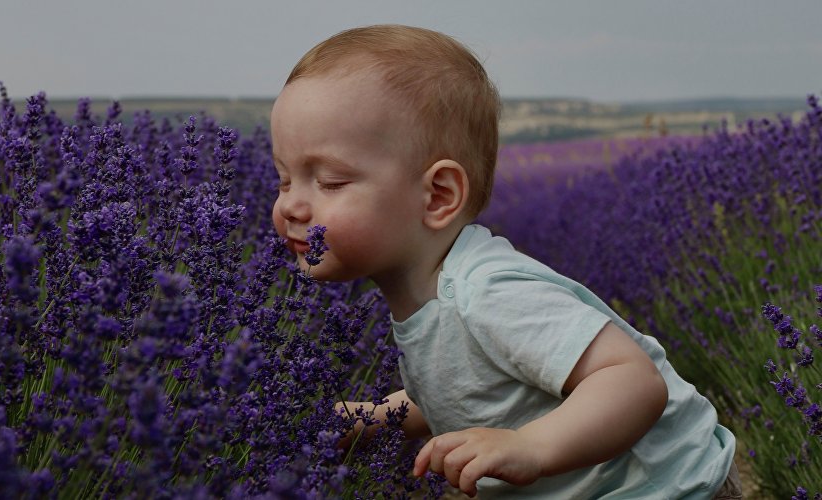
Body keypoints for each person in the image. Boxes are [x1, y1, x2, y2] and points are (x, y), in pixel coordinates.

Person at [270, 24, 741, 499]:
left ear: (438, 195)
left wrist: (530, 445)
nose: (290, 205)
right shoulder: (426, 294)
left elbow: (632, 379)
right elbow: (464, 384)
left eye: (329, 181)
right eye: (284, 179)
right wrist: (379, 417)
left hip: (671, 486)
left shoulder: (490, 293)